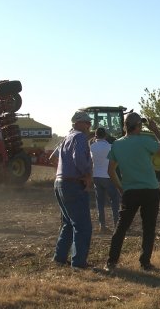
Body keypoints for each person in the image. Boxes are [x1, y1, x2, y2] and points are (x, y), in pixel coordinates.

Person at [104, 113, 160, 272]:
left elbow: (110, 170)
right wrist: (155, 129)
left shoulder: (117, 145)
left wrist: (121, 188)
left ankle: (111, 262)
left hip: (130, 192)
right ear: (138, 126)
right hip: (150, 190)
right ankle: (145, 263)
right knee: (148, 228)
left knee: (121, 227)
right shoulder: (145, 141)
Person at [53, 111, 93, 268]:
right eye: (87, 122)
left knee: (68, 223)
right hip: (73, 184)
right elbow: (79, 159)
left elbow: (54, 157)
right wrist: (87, 174)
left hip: (60, 183)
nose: (89, 125)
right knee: (82, 226)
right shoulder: (80, 137)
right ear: (78, 122)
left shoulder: (66, 138)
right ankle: (78, 263)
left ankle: (60, 257)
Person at [90, 127, 120, 233]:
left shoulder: (92, 147)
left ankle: (102, 226)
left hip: (96, 176)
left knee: (100, 202)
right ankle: (117, 224)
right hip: (107, 176)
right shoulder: (110, 147)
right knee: (115, 199)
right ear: (106, 135)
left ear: (95, 135)